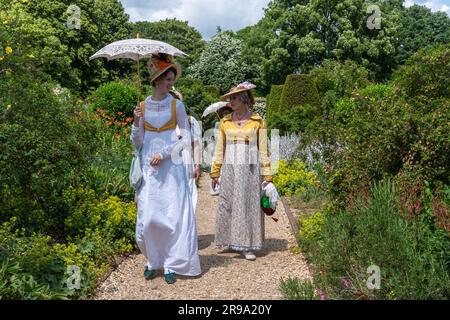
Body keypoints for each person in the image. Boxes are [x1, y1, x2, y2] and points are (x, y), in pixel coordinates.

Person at [131, 53, 201, 284]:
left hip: (171, 167)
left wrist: (164, 154)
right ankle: (153, 259)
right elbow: (138, 143)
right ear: (156, 80)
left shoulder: (176, 105)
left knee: (171, 215)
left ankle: (170, 262)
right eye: (168, 79)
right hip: (149, 170)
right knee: (150, 217)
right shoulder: (142, 106)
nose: (171, 84)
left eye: (172, 80)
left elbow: (186, 137)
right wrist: (135, 122)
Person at [210, 81, 273, 261]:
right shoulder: (225, 121)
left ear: (245, 99)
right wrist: (215, 172)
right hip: (230, 167)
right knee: (227, 202)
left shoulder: (258, 122)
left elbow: (264, 150)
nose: (231, 101)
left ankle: (247, 244)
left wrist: (268, 175)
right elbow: (220, 148)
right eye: (230, 98)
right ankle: (228, 240)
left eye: (234, 98)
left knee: (246, 203)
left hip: (249, 168)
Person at [171, 88, 202, 211]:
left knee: (188, 193)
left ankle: (188, 225)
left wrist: (197, 165)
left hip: (185, 160)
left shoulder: (190, 121)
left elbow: (196, 144)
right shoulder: (163, 122)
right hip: (169, 162)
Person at [209, 105, 232, 196]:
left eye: (227, 113)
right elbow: (216, 136)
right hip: (219, 146)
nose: (226, 115)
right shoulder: (218, 124)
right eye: (224, 114)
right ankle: (217, 186)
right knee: (217, 165)